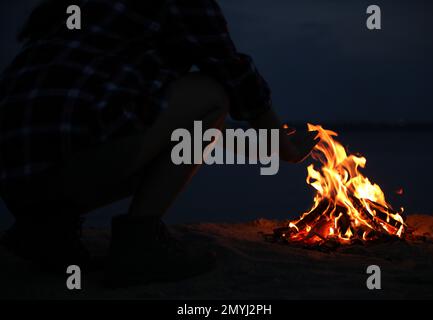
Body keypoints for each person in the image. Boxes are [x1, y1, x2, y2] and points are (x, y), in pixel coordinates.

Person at [0, 0, 318, 287]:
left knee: (137, 109)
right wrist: (283, 148)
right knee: (211, 95)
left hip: (15, 177)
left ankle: (47, 229)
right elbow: (234, 75)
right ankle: (140, 244)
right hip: (70, 157)